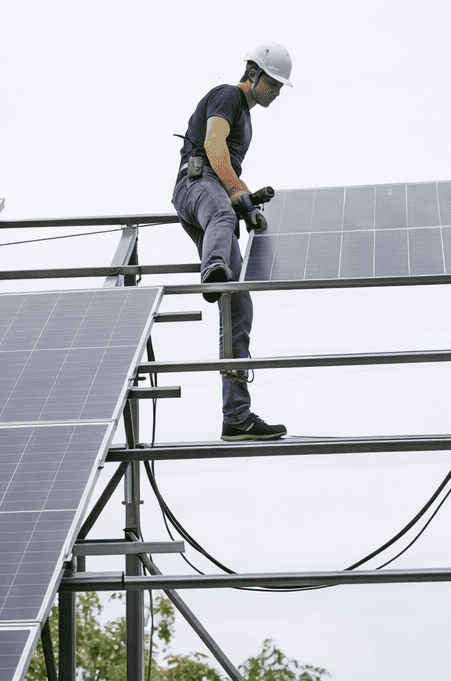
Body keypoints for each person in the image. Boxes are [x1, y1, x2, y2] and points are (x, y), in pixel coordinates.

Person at [172, 42, 291, 442]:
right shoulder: (229, 96)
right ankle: (213, 273)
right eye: (271, 82)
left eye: (279, 86)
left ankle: (236, 417)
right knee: (222, 214)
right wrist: (236, 191)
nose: (275, 91)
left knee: (238, 306)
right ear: (253, 73)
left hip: (217, 193)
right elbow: (213, 145)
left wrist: (248, 207)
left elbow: (231, 183)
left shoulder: (250, 120)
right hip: (197, 185)